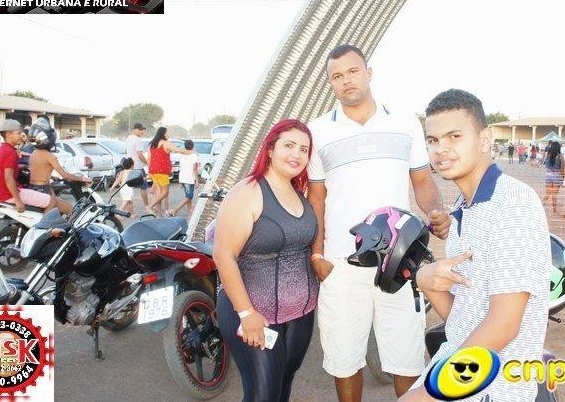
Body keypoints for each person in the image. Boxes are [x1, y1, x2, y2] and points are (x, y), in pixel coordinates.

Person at [306, 44, 449, 402]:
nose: (346, 81)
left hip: (399, 259)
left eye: (353, 71)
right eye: (336, 76)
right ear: (331, 84)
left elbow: (422, 182)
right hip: (341, 263)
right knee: (344, 359)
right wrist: (317, 254)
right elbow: (316, 198)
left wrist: (435, 211)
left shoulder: (404, 121)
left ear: (369, 73)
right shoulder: (318, 130)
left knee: (406, 356)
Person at [400, 89, 550, 402]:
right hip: (458, 366)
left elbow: (503, 326)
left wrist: (431, 393)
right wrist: (425, 282)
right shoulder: (463, 206)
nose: (441, 149)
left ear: (484, 139)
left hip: (495, 388)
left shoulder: (512, 204)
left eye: (454, 136)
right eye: (433, 140)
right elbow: (463, 317)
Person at [213, 119, 318, 402]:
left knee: (283, 384)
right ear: (270, 150)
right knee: (263, 394)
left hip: (301, 313)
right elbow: (224, 255)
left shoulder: (298, 193)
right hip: (253, 312)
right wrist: (246, 313)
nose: (296, 154)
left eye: (304, 149)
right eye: (289, 146)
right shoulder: (247, 191)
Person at [27, 118, 92, 213]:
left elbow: (39, 171)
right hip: (44, 189)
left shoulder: (33, 154)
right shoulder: (49, 156)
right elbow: (65, 175)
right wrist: (83, 179)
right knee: (71, 211)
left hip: (33, 188)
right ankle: (44, 222)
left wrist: (52, 177)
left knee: (62, 209)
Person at [0, 120, 52, 211]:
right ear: (9, 134)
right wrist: (18, 201)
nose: (21, 135)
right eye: (18, 133)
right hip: (9, 195)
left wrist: (19, 167)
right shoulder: (10, 152)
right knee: (53, 200)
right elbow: (8, 178)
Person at [146, 127, 192, 216]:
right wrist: (190, 152)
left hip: (153, 171)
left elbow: (149, 158)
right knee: (165, 192)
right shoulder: (165, 143)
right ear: (163, 134)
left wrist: (150, 171)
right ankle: (150, 206)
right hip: (162, 172)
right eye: (167, 133)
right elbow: (178, 150)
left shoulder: (152, 145)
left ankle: (159, 215)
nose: (169, 135)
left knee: (159, 193)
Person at [168, 139, 200, 216]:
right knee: (189, 197)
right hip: (189, 179)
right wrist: (197, 180)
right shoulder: (194, 155)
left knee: (188, 197)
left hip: (182, 178)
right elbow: (194, 169)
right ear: (193, 146)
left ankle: (190, 213)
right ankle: (175, 210)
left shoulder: (182, 155)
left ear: (185, 147)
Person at [125, 122, 150, 210]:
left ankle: (130, 209)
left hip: (130, 166)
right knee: (143, 187)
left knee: (129, 188)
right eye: (140, 130)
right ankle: (147, 206)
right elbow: (139, 154)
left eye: (142, 130)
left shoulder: (129, 138)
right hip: (138, 167)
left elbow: (127, 150)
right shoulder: (138, 139)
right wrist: (147, 163)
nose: (142, 131)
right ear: (135, 130)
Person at [542, 141, 563, 215]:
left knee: (547, 193)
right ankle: (554, 210)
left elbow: (545, 165)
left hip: (548, 176)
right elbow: (562, 168)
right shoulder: (560, 156)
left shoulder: (548, 155)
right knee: (554, 194)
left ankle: (540, 207)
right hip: (557, 176)